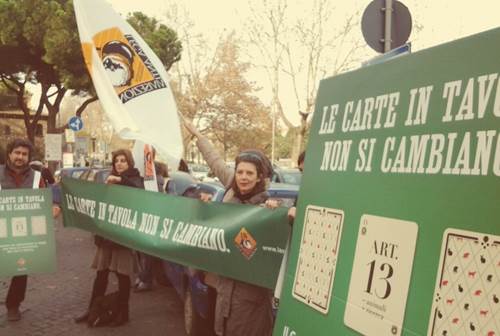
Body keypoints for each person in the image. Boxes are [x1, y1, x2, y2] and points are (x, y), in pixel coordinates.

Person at [184, 120, 275, 336]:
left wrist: (276, 215)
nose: (243, 177)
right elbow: (215, 161)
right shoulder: (231, 188)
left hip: (247, 293)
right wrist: (198, 135)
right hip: (218, 283)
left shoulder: (264, 209)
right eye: (240, 172)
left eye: (249, 174)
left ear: (259, 177)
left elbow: (254, 252)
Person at [74, 149, 143, 327]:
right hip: (107, 237)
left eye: (123, 161)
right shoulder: (109, 179)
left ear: (130, 163)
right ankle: (92, 310)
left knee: (122, 277)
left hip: (123, 238)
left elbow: (139, 191)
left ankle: (123, 313)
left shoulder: (134, 178)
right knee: (101, 274)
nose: (119, 164)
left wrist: (120, 180)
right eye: (116, 161)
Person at [0, 139, 59, 321]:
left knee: (21, 267)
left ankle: (13, 305)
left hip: (25, 233)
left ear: (28, 157)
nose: (20, 157)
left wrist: (54, 207)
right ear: (9, 154)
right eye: (17, 153)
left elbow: (46, 198)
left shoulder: (36, 177)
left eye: (24, 154)